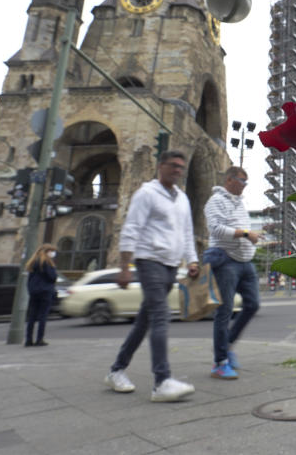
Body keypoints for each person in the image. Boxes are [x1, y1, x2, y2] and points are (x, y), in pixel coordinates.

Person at [104, 150, 200, 402]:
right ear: (161, 166)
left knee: (144, 321)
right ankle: (162, 381)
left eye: (181, 166)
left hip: (170, 265)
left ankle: (116, 370)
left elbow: (187, 233)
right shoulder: (146, 193)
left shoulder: (182, 199)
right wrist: (124, 267)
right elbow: (131, 228)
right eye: (173, 165)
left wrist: (192, 260)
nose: (178, 170)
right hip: (149, 261)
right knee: (161, 316)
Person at [203, 166, 261, 380]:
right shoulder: (215, 201)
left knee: (253, 304)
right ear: (229, 180)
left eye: (246, 182)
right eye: (242, 181)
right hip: (226, 260)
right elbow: (216, 229)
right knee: (224, 311)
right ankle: (219, 363)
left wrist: (250, 237)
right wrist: (246, 233)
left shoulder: (239, 203)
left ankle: (226, 345)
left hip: (246, 261)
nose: (245, 185)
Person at [24, 243, 57, 347]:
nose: (53, 253)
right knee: (42, 316)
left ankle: (28, 340)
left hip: (34, 292)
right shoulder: (46, 263)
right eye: (52, 251)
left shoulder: (33, 262)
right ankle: (39, 339)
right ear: (47, 252)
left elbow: (30, 279)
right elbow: (52, 277)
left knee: (32, 316)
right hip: (45, 291)